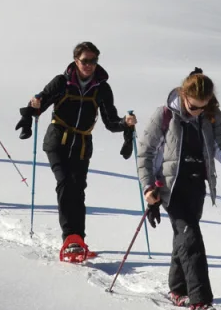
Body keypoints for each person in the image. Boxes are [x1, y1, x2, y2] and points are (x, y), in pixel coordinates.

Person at [135, 69, 221, 310]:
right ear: (184, 96)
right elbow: (146, 153)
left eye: (203, 107)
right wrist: (148, 187)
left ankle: (178, 289)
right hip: (170, 187)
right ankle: (200, 301)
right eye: (194, 106)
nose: (198, 111)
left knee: (184, 236)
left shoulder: (211, 115)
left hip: (197, 184)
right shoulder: (164, 115)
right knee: (191, 238)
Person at [18, 42, 136, 261]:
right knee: (65, 185)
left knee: (78, 190)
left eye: (93, 61)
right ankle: (69, 239)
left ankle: (78, 241)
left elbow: (111, 122)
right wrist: (33, 106)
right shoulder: (62, 82)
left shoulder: (102, 88)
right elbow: (40, 104)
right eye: (85, 61)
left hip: (82, 144)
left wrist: (125, 123)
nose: (89, 65)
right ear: (76, 60)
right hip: (57, 140)